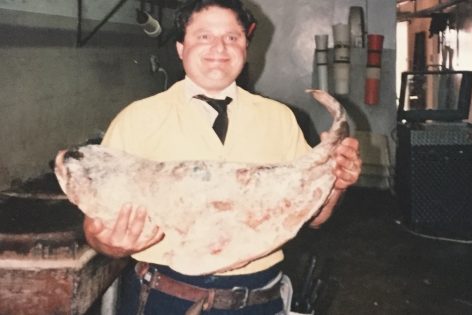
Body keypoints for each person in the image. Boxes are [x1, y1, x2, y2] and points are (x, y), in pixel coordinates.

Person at [83, 0, 362, 314]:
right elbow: (96, 228)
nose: (219, 48)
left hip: (260, 300)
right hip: (164, 299)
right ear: (180, 48)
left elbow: (313, 218)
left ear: (245, 46)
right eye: (203, 36)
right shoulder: (137, 119)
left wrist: (336, 183)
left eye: (232, 37)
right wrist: (112, 244)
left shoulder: (280, 119)